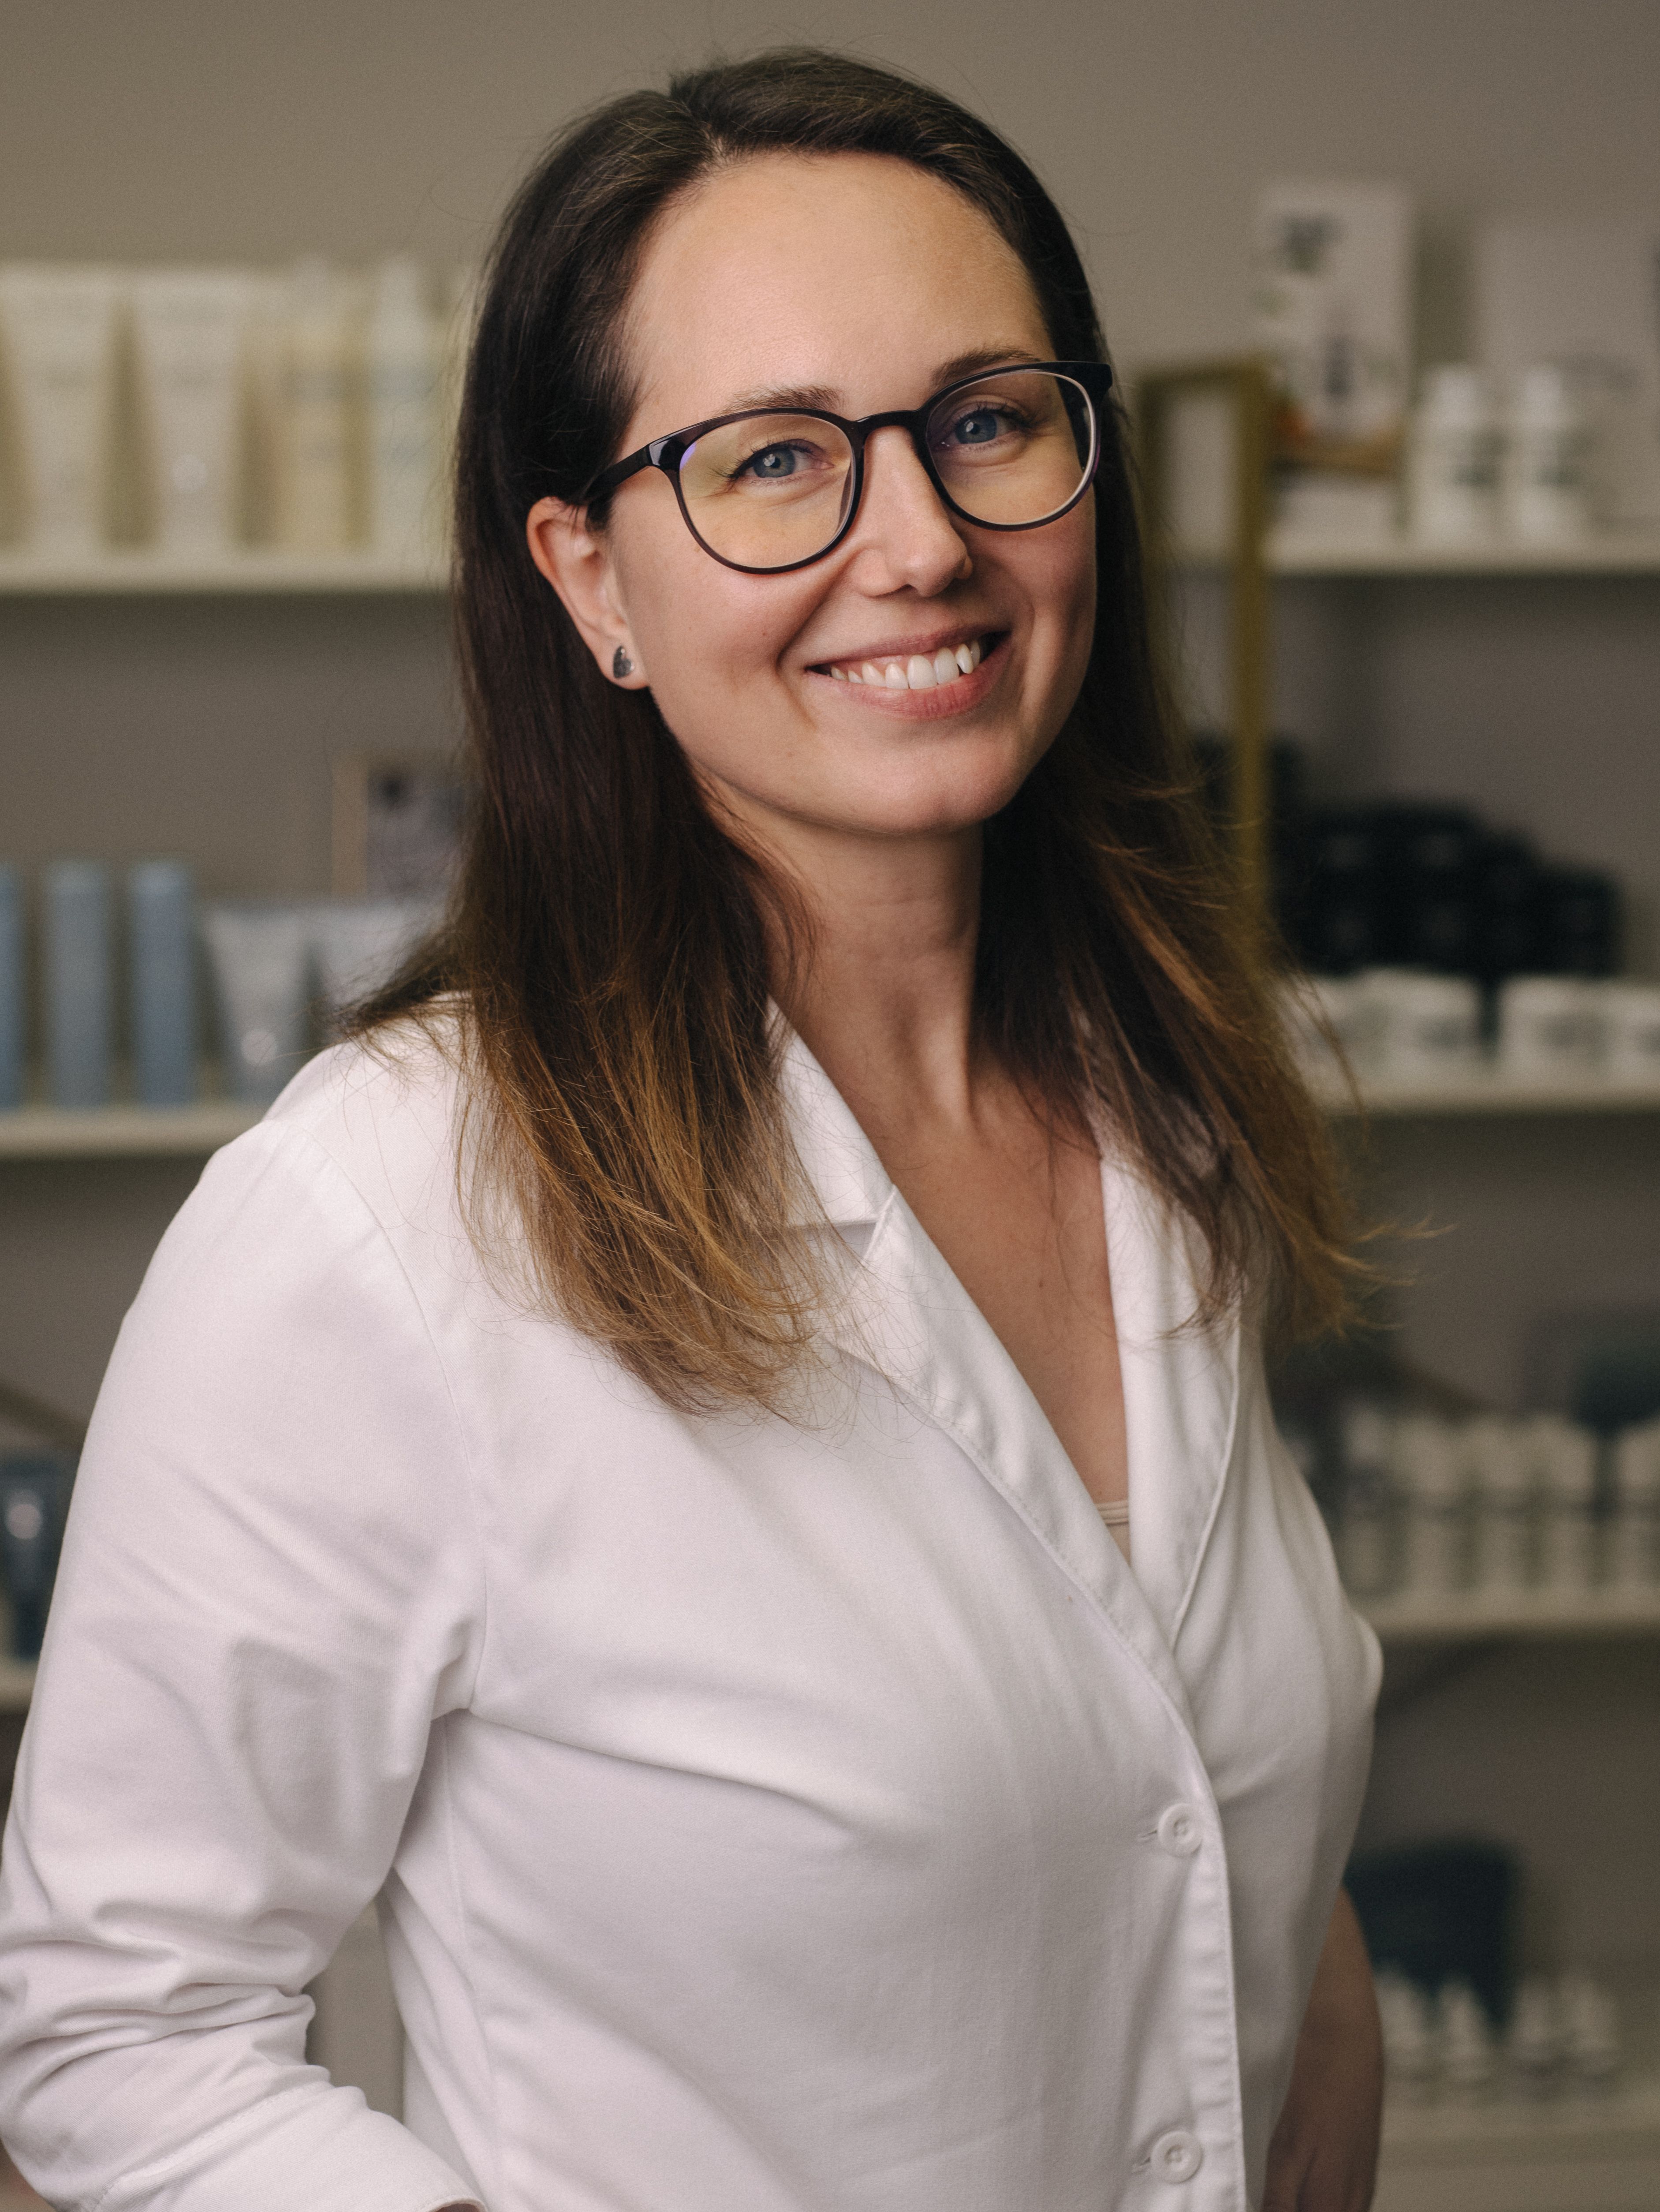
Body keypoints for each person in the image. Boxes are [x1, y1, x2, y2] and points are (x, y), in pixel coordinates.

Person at [0, 49, 1382, 2212]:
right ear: (592, 580)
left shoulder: (1163, 1113)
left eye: (988, 422)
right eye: (773, 461)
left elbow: (1202, 1830)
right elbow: (106, 2042)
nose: (917, 543)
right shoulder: (385, 1220)